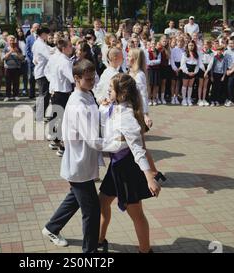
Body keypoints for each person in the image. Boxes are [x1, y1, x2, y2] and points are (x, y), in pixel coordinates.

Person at [42, 59, 126, 253]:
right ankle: (89, 252)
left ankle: (51, 228)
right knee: (92, 211)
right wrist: (119, 144)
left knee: (75, 199)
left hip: (83, 163)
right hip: (79, 165)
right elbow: (93, 140)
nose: (93, 82)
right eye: (88, 79)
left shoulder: (86, 94)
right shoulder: (77, 105)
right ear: (76, 78)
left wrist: (104, 108)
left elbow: (95, 118)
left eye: (93, 77)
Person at [98, 73, 161, 253]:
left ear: (122, 93)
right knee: (102, 202)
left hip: (126, 167)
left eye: (111, 89)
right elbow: (105, 116)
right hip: (116, 165)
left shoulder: (126, 116)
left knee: (136, 213)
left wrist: (150, 177)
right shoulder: (116, 106)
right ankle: (99, 240)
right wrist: (103, 106)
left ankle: (145, 251)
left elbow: (139, 150)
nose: (108, 91)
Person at [45, 38, 74, 157]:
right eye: (70, 46)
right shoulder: (65, 61)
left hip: (56, 91)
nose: (72, 48)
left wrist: (53, 84)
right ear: (64, 48)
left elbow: (48, 72)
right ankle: (62, 146)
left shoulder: (56, 58)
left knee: (57, 117)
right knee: (63, 120)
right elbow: (72, 78)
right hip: (62, 93)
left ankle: (55, 140)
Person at [33, 27, 52, 121]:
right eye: (47, 34)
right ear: (43, 34)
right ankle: (38, 115)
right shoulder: (40, 44)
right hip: (42, 72)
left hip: (42, 71)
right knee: (44, 94)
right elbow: (49, 56)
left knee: (44, 94)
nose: (48, 36)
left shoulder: (39, 43)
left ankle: (37, 111)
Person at [3, 35, 24, 102]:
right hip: (8, 68)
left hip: (16, 67)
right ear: (8, 41)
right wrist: (10, 52)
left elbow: (22, 58)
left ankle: (16, 95)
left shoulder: (18, 48)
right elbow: (4, 58)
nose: (12, 41)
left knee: (16, 82)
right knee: (8, 83)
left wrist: (17, 52)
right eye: (10, 40)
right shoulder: (5, 48)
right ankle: (7, 96)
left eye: (13, 40)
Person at [180, 41, 200, 106]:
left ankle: (188, 99)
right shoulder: (184, 54)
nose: (191, 47)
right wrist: (187, 72)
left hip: (193, 71)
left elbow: (198, 64)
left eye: (192, 45)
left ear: (194, 46)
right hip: (186, 70)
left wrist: (195, 72)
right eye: (190, 45)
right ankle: (184, 99)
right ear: (187, 46)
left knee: (190, 86)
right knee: (185, 85)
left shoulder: (196, 54)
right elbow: (182, 64)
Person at [197, 39, 214, 106]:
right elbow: (200, 62)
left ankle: (204, 99)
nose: (205, 46)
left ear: (209, 45)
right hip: (202, 69)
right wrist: (204, 71)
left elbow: (211, 63)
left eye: (206, 44)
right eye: (204, 44)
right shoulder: (200, 52)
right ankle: (199, 99)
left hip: (208, 69)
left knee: (205, 86)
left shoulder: (211, 53)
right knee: (200, 85)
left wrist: (207, 71)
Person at [25, 23, 39, 99]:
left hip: (40, 62)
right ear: (32, 29)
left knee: (40, 78)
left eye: (38, 27)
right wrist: (33, 59)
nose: (36, 29)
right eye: (35, 27)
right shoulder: (29, 38)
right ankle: (32, 94)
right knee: (31, 78)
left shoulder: (42, 38)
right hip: (32, 62)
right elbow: (27, 51)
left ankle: (41, 94)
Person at [145, 41, 161, 106]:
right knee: (149, 85)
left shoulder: (158, 52)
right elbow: (148, 62)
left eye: (154, 44)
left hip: (156, 70)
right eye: (152, 44)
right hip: (149, 70)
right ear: (150, 44)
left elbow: (159, 61)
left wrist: (152, 62)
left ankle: (154, 98)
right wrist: (155, 62)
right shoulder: (147, 52)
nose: (153, 45)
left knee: (155, 85)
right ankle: (149, 98)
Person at [170, 37, 185, 104]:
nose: (180, 43)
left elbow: (184, 60)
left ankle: (176, 97)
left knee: (178, 83)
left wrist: (180, 68)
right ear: (177, 42)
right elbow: (172, 60)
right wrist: (175, 69)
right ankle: (172, 97)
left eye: (181, 42)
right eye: (179, 42)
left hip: (181, 66)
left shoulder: (184, 50)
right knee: (173, 83)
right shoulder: (173, 50)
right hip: (174, 66)